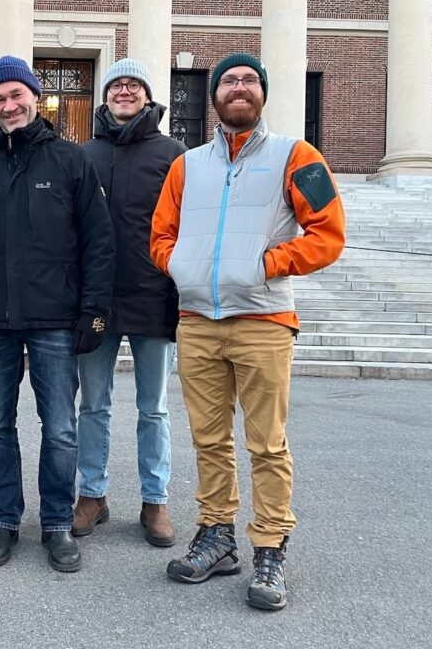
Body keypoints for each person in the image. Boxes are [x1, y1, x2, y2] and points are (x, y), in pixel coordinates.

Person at [151, 53, 345, 610]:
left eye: (248, 81)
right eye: (228, 81)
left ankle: (271, 546)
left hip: (263, 320)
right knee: (209, 439)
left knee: (266, 443)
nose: (238, 88)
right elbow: (160, 235)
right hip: (197, 323)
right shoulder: (187, 165)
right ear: (214, 97)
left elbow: (327, 233)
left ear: (262, 93)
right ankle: (216, 534)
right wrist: (180, 266)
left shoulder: (297, 155)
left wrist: (268, 263)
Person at [0, 55, 115, 573]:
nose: (9, 106)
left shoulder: (72, 161)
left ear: (35, 97)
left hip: (56, 322)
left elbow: (98, 242)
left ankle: (58, 523)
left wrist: (94, 312)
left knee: (60, 427)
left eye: (17, 96)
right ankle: (5, 520)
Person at [73, 58, 186, 546]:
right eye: (117, 85)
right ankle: (92, 494)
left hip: (153, 295)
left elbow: (186, 226)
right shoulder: (82, 155)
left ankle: (155, 500)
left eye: (133, 84)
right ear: (105, 97)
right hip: (95, 298)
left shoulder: (174, 154)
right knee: (93, 404)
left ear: (147, 95)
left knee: (154, 407)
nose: (124, 91)